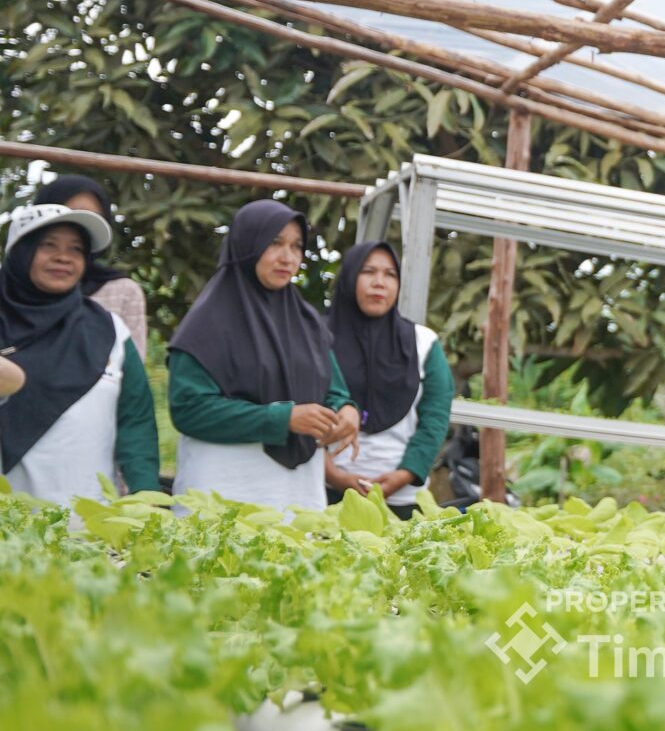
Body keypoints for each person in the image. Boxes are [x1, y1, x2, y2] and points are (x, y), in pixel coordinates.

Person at [169, 199, 359, 512]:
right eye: (275, 243)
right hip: (224, 486)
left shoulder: (306, 321)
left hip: (296, 489)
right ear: (247, 244)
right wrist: (283, 418)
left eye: (297, 246)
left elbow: (334, 387)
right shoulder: (207, 322)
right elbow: (189, 409)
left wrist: (347, 410)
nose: (288, 257)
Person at [0, 204, 160, 504]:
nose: (63, 257)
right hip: (9, 526)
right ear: (21, 252)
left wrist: (146, 501)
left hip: (88, 527)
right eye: (49, 245)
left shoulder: (110, 330)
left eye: (76, 249)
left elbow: (135, 422)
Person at [323, 241, 454, 520]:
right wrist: (331, 473)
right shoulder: (316, 338)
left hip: (401, 497)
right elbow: (298, 405)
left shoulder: (424, 343)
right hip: (323, 493)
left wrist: (405, 474)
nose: (379, 283)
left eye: (390, 274)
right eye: (368, 272)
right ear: (349, 278)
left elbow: (435, 417)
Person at [33, 174, 148, 359]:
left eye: (92, 219)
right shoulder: (9, 291)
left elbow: (132, 376)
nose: (63, 258)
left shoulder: (122, 291)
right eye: (69, 214)